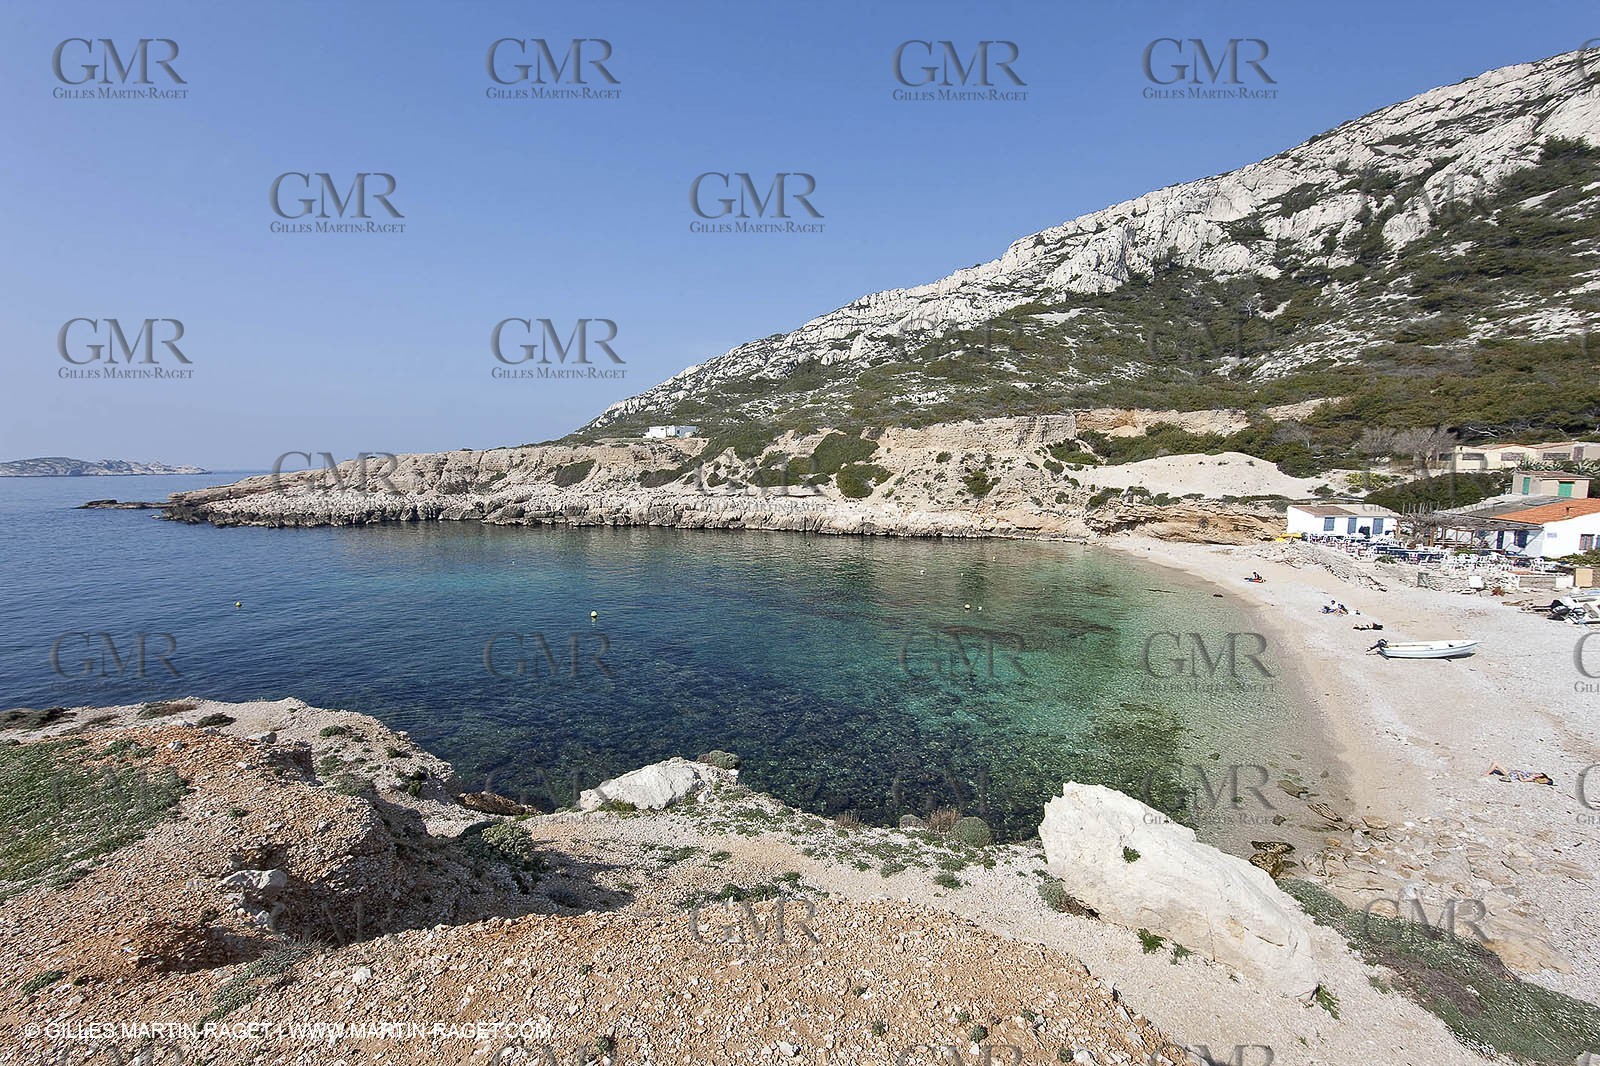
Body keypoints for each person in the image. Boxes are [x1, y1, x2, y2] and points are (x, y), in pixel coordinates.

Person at [1485, 762, 1554, 786]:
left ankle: (1486, 773)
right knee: (1496, 764)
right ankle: (1488, 772)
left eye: (1540, 774)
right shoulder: (1532, 775)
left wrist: (1518, 774)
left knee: (1496, 763)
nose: (1538, 773)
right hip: (1512, 772)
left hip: (1511, 774)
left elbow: (1523, 780)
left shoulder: (1532, 778)